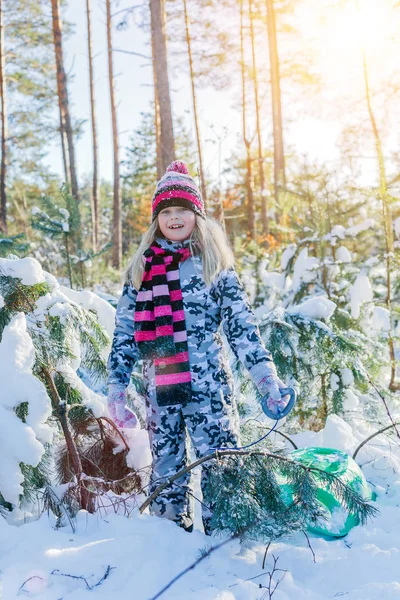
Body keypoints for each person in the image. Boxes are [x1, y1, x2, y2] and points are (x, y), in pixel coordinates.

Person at [107, 160, 287, 534]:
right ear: (157, 218)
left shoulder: (214, 265)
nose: (174, 218)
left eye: (182, 210)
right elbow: (124, 333)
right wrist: (116, 390)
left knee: (221, 465)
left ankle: (225, 541)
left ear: (196, 215)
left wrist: (267, 380)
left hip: (209, 391)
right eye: (166, 211)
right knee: (167, 470)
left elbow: (242, 329)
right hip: (161, 391)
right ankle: (169, 542)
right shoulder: (141, 269)